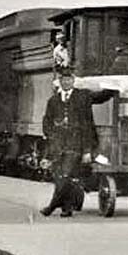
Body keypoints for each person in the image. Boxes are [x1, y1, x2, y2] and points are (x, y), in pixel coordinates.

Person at [38, 67, 113, 217]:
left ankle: (52, 206)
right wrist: (51, 135)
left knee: (66, 175)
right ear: (59, 82)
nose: (66, 82)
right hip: (58, 145)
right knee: (60, 176)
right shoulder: (53, 101)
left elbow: (101, 97)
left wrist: (113, 87)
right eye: (63, 80)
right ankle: (67, 208)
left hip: (76, 144)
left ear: (73, 81)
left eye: (69, 79)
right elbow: (47, 121)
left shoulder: (83, 96)